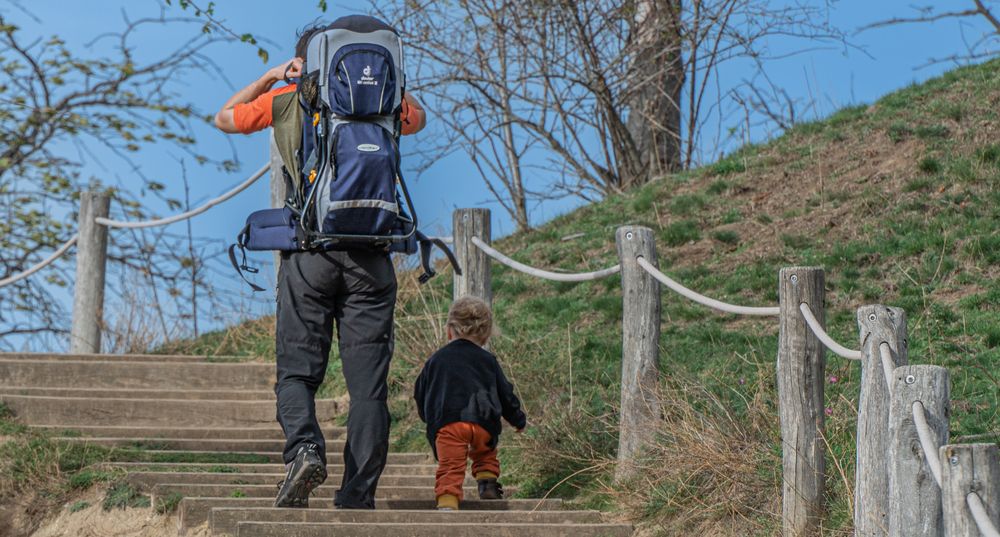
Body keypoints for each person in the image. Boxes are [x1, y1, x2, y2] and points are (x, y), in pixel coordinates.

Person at [214, 19, 427, 509]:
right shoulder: (389, 108)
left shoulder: (285, 100)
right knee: (368, 389)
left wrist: (271, 76)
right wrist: (387, 79)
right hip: (372, 261)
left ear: (305, 62)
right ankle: (358, 494)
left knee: (297, 374)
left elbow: (225, 116)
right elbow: (421, 119)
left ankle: (305, 449)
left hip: (310, 257)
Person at [413, 296, 528, 511]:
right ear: (485, 336)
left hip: (450, 423)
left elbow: (420, 392)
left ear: (449, 330)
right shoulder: (488, 360)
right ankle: (488, 484)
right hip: (484, 422)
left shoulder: (436, 360)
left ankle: (448, 501)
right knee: (485, 453)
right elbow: (506, 393)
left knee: (451, 465)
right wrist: (518, 420)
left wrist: (428, 416)